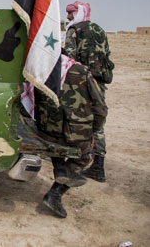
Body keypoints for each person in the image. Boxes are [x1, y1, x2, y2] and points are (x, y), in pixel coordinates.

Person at [35, 55, 108, 218]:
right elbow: (101, 109)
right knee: (84, 157)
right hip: (75, 132)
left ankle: (60, 167)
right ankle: (55, 192)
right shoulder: (80, 71)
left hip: (46, 129)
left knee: (56, 148)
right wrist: (93, 130)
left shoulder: (39, 68)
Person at [62, 1, 114, 182]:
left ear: (77, 13)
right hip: (99, 82)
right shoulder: (99, 30)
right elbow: (106, 55)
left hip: (81, 84)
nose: (68, 16)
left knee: (76, 119)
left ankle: (75, 160)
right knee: (97, 120)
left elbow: (69, 57)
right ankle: (98, 164)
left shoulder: (74, 30)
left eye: (70, 13)